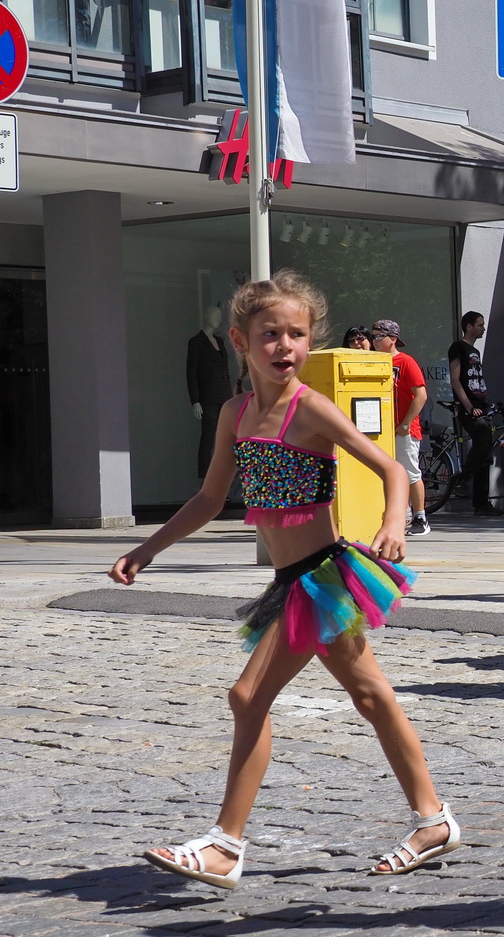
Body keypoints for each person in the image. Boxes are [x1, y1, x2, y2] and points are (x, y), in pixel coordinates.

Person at [111, 272, 456, 890]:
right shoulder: (236, 413)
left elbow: (390, 469)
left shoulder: (311, 408)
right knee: (372, 696)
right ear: (240, 341)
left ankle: (225, 845)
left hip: (322, 578)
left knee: (249, 697)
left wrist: (394, 522)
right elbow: (209, 499)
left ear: (310, 341)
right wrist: (147, 549)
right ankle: (433, 820)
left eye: (297, 334)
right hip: (290, 580)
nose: (285, 345)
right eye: (270, 334)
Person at [370, 320, 429, 536]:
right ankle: (396, 516)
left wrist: (405, 423)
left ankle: (420, 517)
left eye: (379, 336)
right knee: (387, 474)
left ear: (393, 339)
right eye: (373, 336)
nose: (374, 341)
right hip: (379, 429)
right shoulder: (374, 361)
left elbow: (421, 395)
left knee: (410, 473)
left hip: (403, 429)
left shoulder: (406, 362)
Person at [448, 312, 502, 516]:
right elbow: (455, 380)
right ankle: (463, 478)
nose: (483, 328)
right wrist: (469, 406)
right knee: (483, 437)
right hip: (468, 407)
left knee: (485, 453)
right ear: (469, 327)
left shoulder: (475, 352)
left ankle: (481, 503)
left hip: (481, 406)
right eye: (480, 325)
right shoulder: (458, 347)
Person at [188, 306, 237, 479]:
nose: (218, 319)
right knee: (209, 436)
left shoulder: (220, 342)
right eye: (215, 315)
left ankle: (225, 475)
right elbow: (191, 373)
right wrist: (195, 400)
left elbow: (225, 370)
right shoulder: (196, 342)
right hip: (208, 397)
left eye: (220, 316)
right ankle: (205, 476)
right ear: (207, 316)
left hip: (224, 395)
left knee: (226, 437)